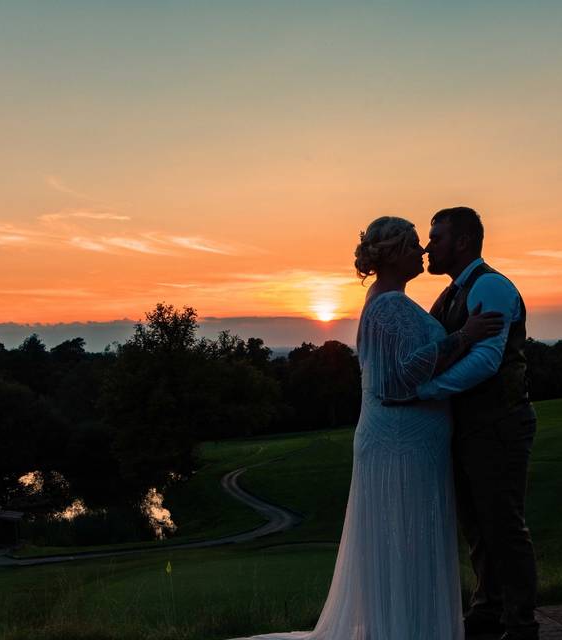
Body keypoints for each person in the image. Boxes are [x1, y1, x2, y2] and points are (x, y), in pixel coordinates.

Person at [230, 216, 502, 640]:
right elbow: (396, 380)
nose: (423, 252)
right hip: (401, 444)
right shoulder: (389, 306)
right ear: (393, 254)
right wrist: (464, 337)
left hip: (407, 441)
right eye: (414, 244)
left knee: (408, 542)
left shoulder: (391, 301)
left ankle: (409, 626)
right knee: (405, 542)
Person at [420, 206, 539, 640]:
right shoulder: (449, 295)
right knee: (476, 526)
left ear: (464, 241)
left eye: (436, 237)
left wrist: (427, 392)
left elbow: (487, 362)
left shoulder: (490, 285)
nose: (427, 246)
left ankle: (521, 625)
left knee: (503, 525)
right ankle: (488, 611)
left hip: (500, 422)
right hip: (467, 426)